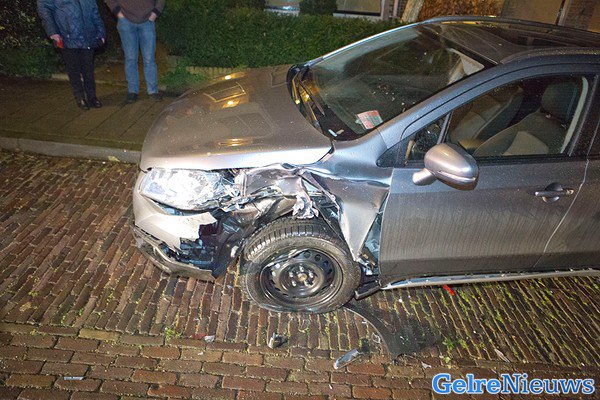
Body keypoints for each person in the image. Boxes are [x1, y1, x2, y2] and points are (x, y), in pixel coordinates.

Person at [38, 0, 106, 110]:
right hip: (66, 34)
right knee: (73, 68)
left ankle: (92, 97)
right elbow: (44, 8)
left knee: (88, 68)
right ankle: (80, 97)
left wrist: (101, 32)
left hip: (88, 34)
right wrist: (52, 31)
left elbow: (94, 10)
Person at [106, 0, 165, 103]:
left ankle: (152, 91)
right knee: (130, 58)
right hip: (126, 21)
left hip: (147, 21)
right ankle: (132, 91)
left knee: (149, 59)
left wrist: (155, 13)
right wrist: (119, 13)